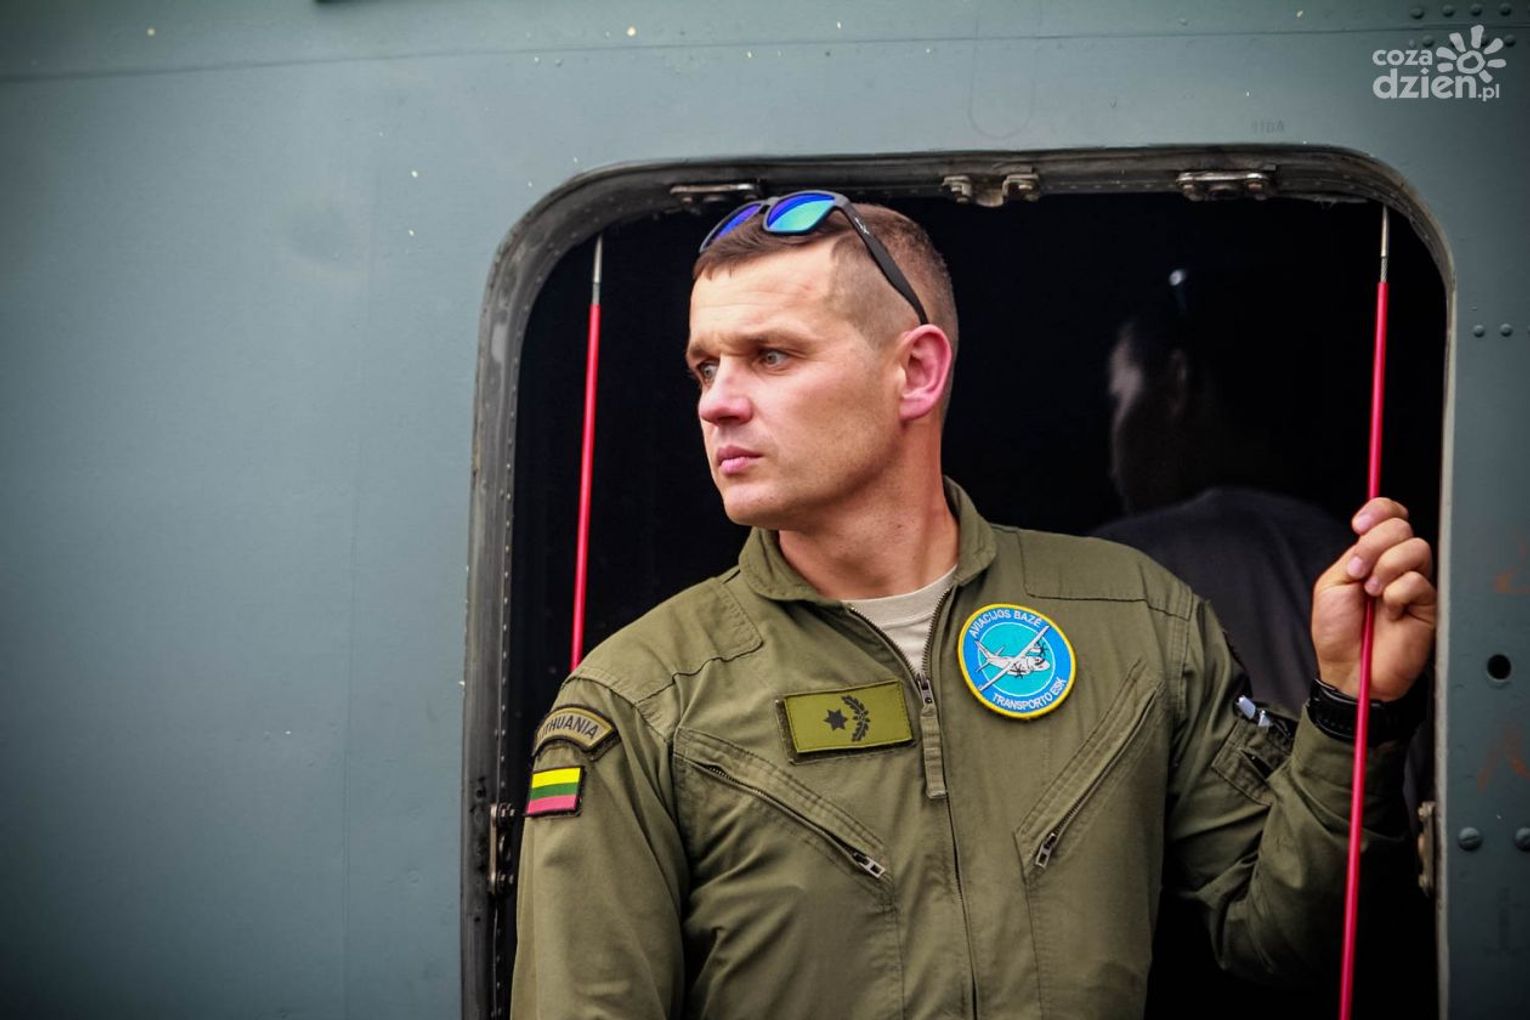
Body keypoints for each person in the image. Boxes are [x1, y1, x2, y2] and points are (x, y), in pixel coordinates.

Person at [510, 193, 1434, 1018]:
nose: (717, 404)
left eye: (771, 356)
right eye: (705, 367)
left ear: (917, 372)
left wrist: (1353, 711)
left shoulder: (1135, 618)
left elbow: (1289, 946)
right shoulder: (642, 699)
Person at [1094, 268, 1435, 1015]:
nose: (1113, 444)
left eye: (1119, 398)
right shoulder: (1373, 564)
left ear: (1177, 384)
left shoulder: (1109, 576)